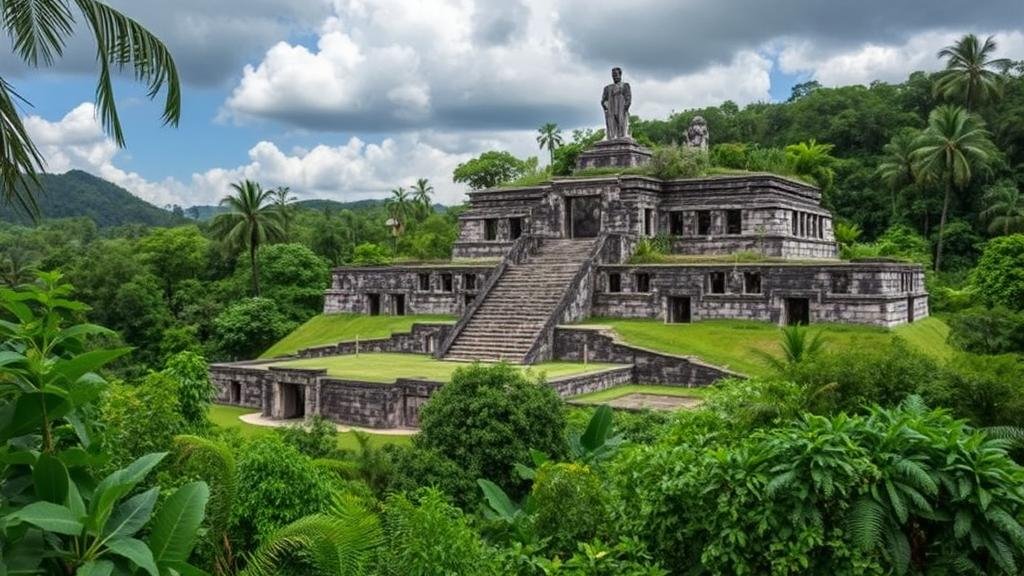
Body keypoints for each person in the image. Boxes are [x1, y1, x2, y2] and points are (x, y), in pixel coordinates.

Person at [602, 67, 631, 140]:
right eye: (613, 75)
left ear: (620, 75)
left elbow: (628, 98)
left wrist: (625, 107)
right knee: (611, 124)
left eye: (616, 74)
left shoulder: (625, 85)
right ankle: (612, 136)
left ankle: (622, 135)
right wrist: (605, 106)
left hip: (621, 107)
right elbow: (603, 100)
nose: (614, 76)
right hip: (611, 109)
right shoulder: (607, 88)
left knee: (621, 123)